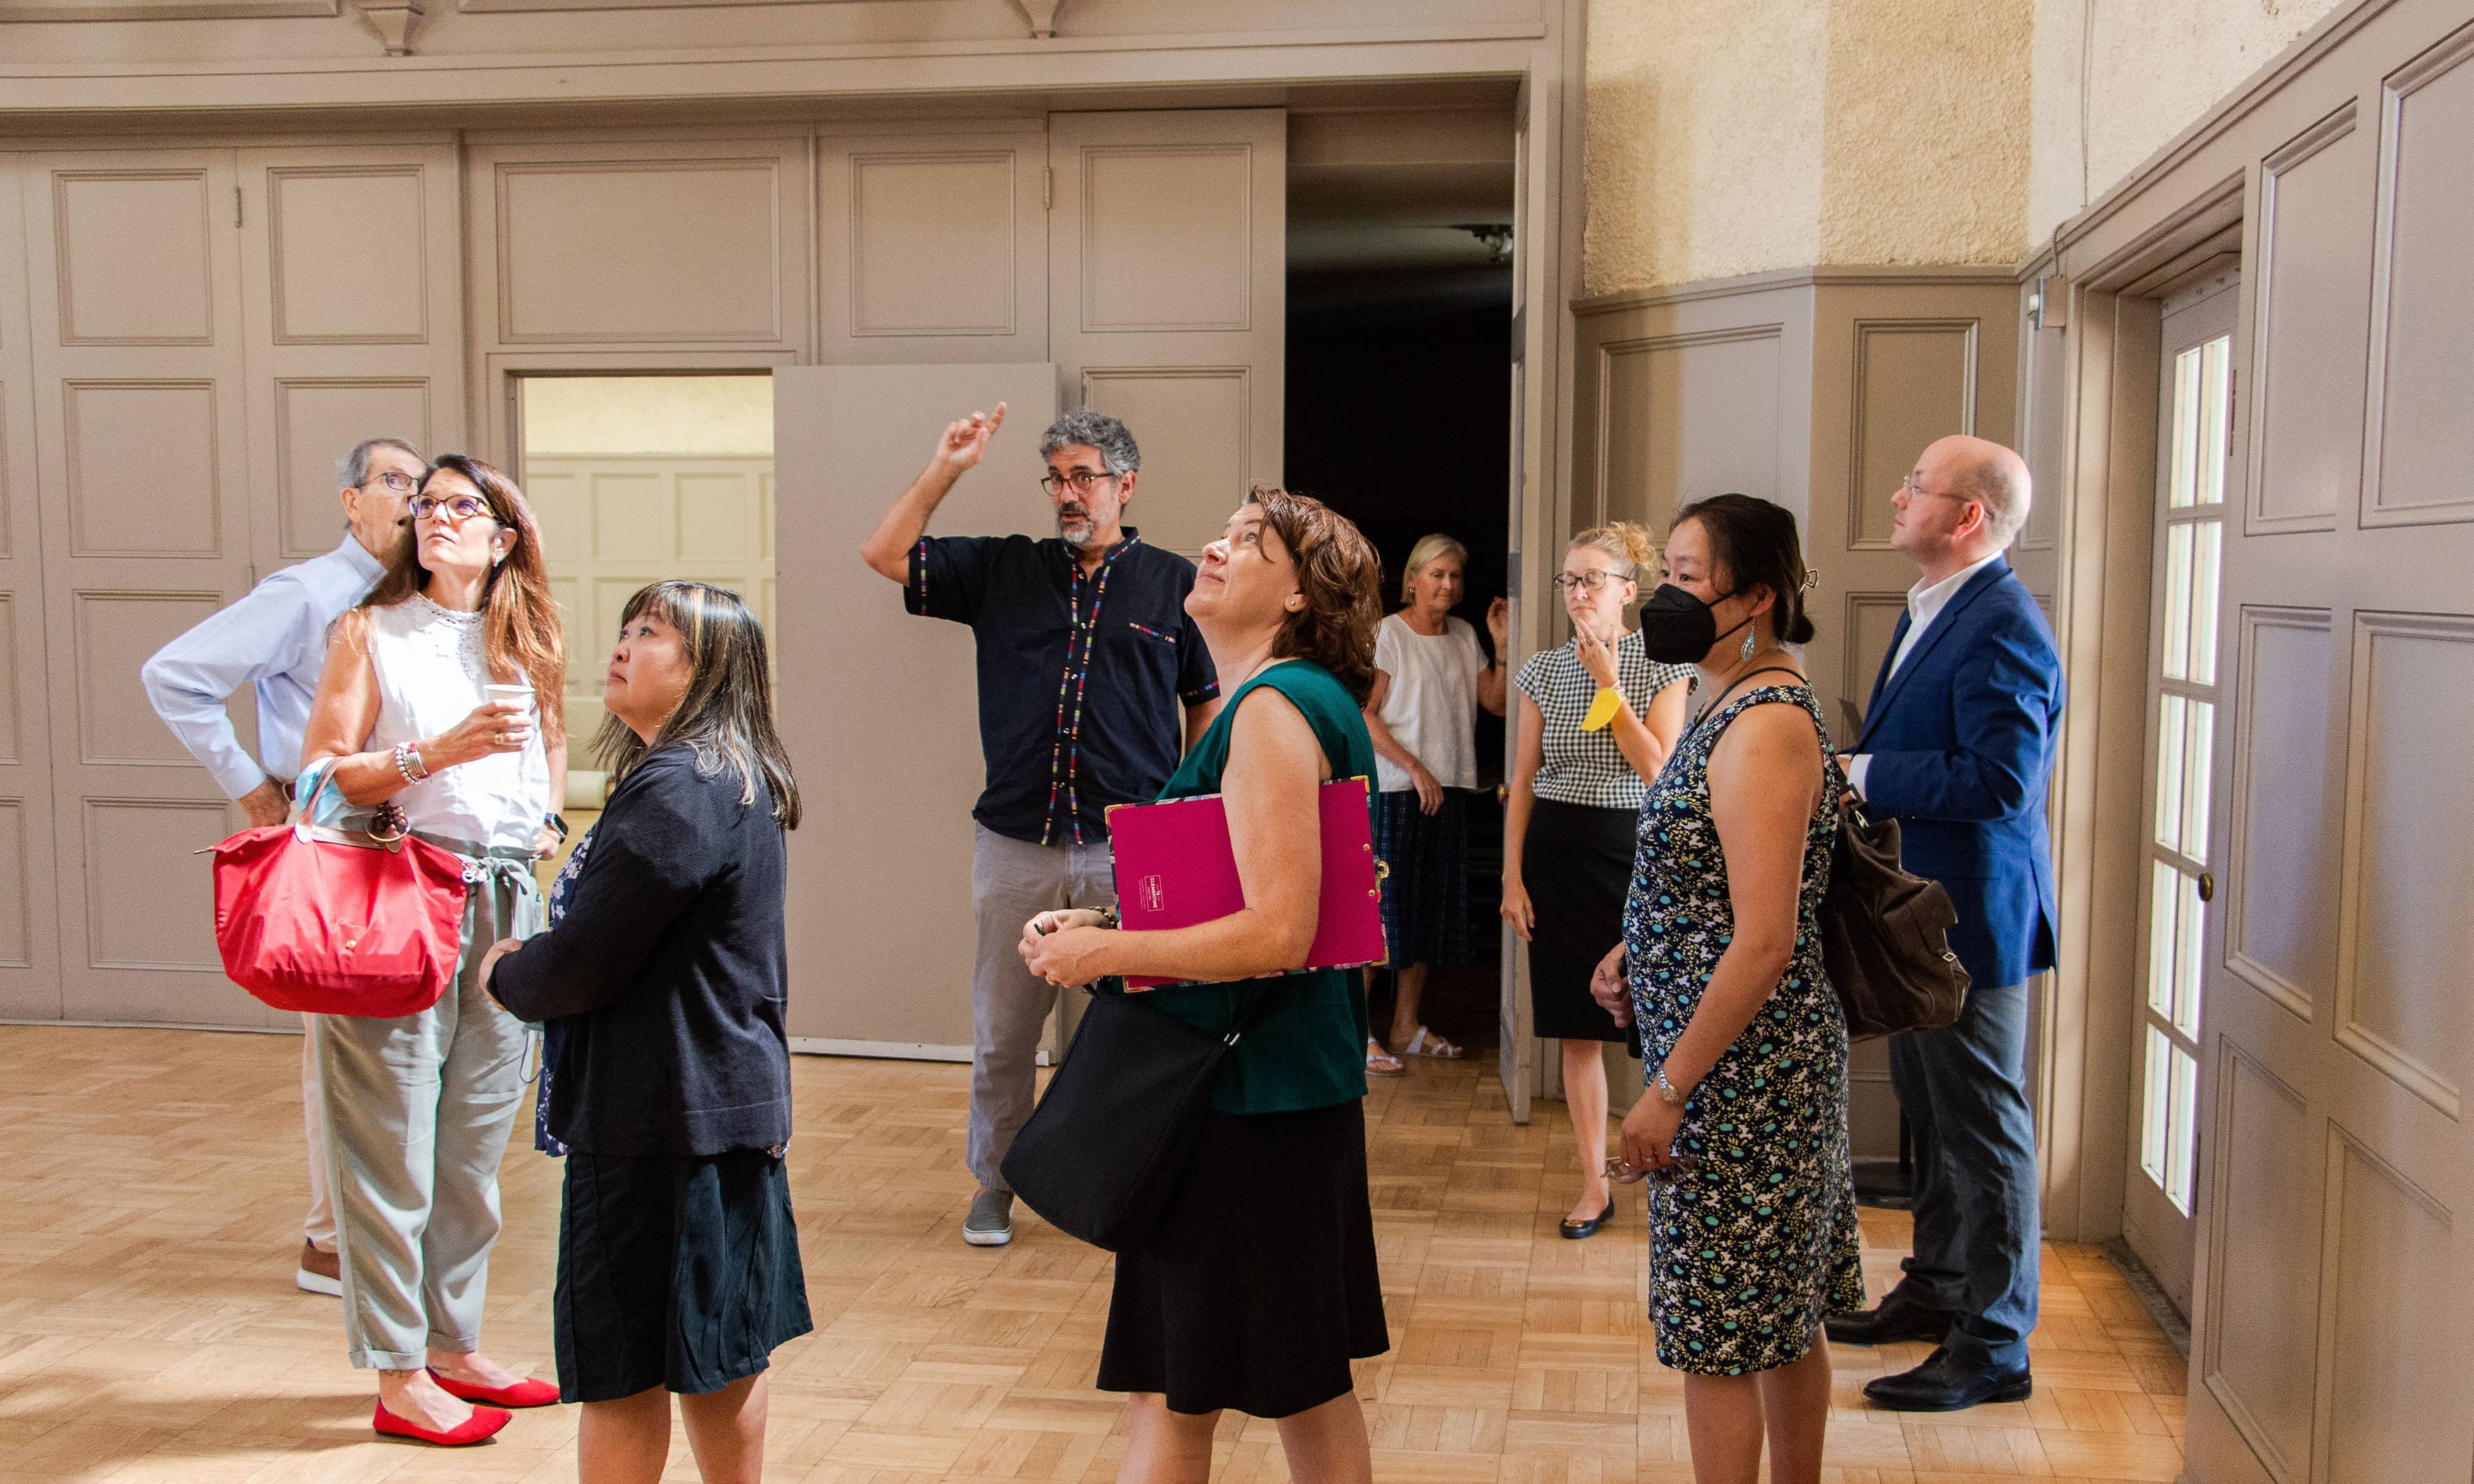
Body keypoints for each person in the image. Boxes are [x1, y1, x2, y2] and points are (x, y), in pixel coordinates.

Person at [1019, 488, 1386, 1484]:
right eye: (1222, 534)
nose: (1214, 551)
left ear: (1303, 593)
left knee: (1183, 1394)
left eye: (1247, 543)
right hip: (1273, 1091)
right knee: (1299, 1388)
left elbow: (1276, 931)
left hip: (1243, 1102)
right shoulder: (1285, 700)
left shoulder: (1272, 710)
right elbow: (1241, 900)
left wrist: (1105, 955)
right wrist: (1103, 924)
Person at [859, 405, 1221, 1248]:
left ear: (1124, 485)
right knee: (1004, 1035)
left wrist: (1184, 816)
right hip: (1016, 844)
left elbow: (1204, 706)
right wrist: (948, 464)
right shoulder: (1002, 570)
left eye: (1084, 476)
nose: (1067, 493)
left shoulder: (1175, 584)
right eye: (1055, 478)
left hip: (1132, 848)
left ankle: (1128, 1183)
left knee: (1143, 1032)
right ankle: (998, 1182)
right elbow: (884, 554)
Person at [486, 581, 810, 1484]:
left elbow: (584, 962)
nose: (624, 645)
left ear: (703, 666)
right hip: (708, 1108)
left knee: (630, 1371)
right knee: (716, 1354)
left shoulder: (680, 788)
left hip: (657, 1119)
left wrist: (506, 970)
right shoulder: (724, 774)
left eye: (651, 632)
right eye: (627, 627)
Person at [1588, 493, 1861, 1484]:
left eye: (1690, 578)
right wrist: (1638, 951)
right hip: (1728, 1064)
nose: (1668, 595)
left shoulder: (1768, 722)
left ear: (1759, 596)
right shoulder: (1726, 699)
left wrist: (1667, 1090)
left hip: (1742, 1084)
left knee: (1725, 1333)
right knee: (1780, 1314)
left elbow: (1765, 941)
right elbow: (1708, 881)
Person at [298, 453, 568, 1447]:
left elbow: (549, 754)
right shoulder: (369, 632)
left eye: (462, 505)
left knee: (471, 1154)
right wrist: (435, 754)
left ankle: (453, 1345)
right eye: (426, 504)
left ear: (504, 540)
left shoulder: (527, 639)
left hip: (506, 903)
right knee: (389, 1152)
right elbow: (319, 783)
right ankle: (399, 1373)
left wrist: (542, 824)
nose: (435, 516)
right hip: (397, 898)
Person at [141, 436, 425, 1298]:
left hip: (413, 840)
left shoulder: (420, 601)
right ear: (351, 501)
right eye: (392, 482)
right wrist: (249, 789)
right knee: (340, 1052)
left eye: (423, 485)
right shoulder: (308, 594)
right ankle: (332, 1242)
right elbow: (175, 674)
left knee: (408, 1050)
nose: (410, 499)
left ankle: (387, 1229)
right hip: (337, 840)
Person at [1821, 436, 2063, 1413]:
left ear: (1967, 517)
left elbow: (2003, 782)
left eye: (1916, 487)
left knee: (1984, 1129)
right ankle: (1941, 1286)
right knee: (1935, 1118)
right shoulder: (1936, 607)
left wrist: (1859, 773)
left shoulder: (2003, 621)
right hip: (1922, 920)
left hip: (1971, 924)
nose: (1896, 493)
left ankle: (1997, 1344)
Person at [1500, 522, 1693, 1237]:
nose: (1578, 593)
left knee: (1663, 1026)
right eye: (1569, 580)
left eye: (1592, 580)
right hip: (1556, 851)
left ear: (1628, 591)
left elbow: (1657, 770)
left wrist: (1609, 685)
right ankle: (1594, 1186)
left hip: (1636, 853)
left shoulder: (1663, 663)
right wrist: (1513, 878)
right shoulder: (1542, 669)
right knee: (1576, 1032)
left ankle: (1672, 1181)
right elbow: (1521, 781)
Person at [1360, 532, 1507, 1075]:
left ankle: (1404, 1027)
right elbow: (1365, 715)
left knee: (1423, 912)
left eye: (1455, 576)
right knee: (1380, 914)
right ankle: (1360, 1035)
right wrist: (1415, 766)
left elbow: (1495, 703)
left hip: (1445, 792)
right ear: (1414, 579)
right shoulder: (1389, 634)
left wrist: (1504, 646)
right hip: (1397, 793)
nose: (1447, 585)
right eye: (1437, 575)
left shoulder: (1466, 634)